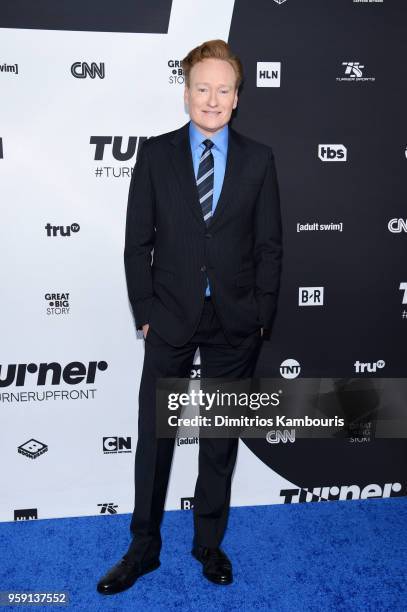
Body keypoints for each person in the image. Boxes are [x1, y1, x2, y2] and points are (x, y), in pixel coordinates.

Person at [97, 39, 282, 595]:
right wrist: (146, 312)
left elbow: (270, 246)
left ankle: (209, 543)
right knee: (156, 437)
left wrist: (261, 317)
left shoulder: (258, 159)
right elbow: (137, 243)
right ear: (186, 94)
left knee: (220, 439)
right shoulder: (154, 156)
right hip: (171, 318)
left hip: (235, 322)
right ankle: (143, 547)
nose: (212, 98)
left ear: (236, 99)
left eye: (223, 89)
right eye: (202, 87)